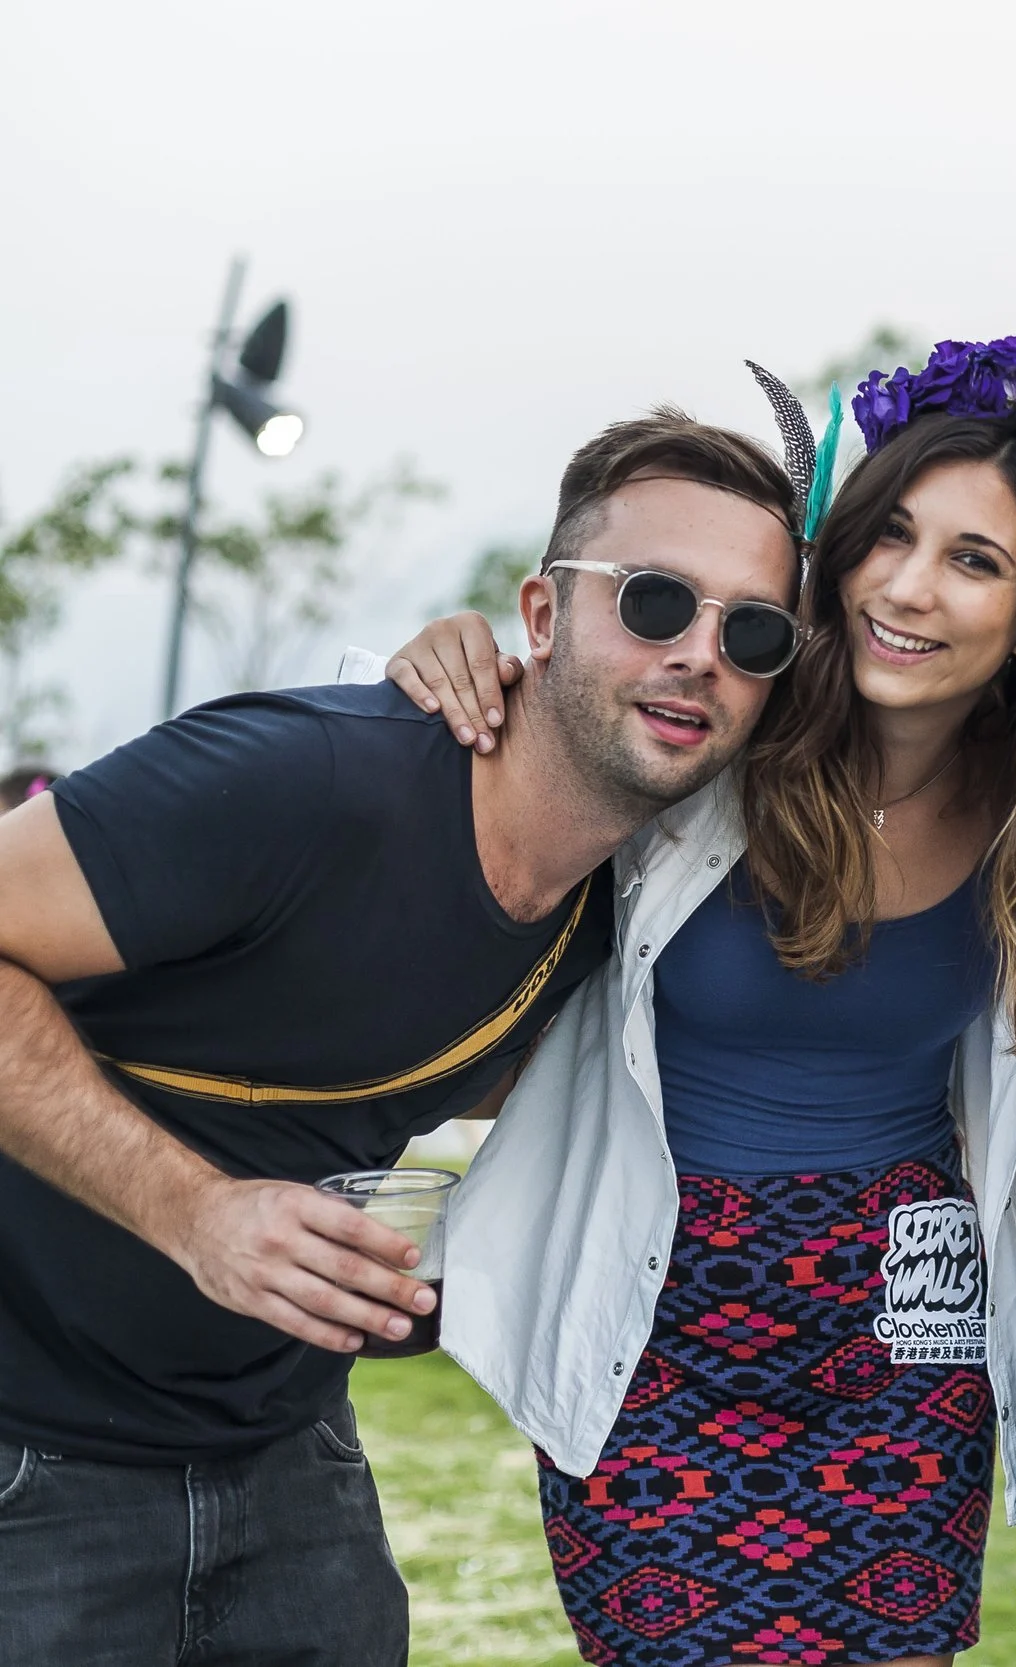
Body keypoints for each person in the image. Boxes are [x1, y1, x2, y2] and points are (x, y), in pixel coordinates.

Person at [0, 408, 801, 1664]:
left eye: (750, 630)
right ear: (540, 617)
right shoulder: (296, 781)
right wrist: (195, 1212)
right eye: (654, 600)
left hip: (290, 1453)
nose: (700, 652)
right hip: (34, 1460)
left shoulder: (633, 899)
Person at [383, 338, 1016, 1667]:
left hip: (908, 1334)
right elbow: (534, 725)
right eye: (889, 533)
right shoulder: (714, 729)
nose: (910, 585)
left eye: (975, 558)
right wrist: (450, 656)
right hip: (657, 1321)